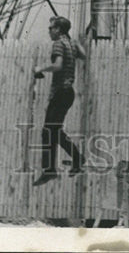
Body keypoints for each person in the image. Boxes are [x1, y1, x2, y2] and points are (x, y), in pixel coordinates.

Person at [32, 16, 86, 186]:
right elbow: (83, 55)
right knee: (54, 131)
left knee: (48, 131)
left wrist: (40, 68)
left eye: (51, 28)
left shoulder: (58, 44)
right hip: (68, 92)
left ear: (58, 30)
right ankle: (76, 160)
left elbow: (58, 66)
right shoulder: (69, 43)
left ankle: (50, 171)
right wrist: (75, 43)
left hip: (60, 92)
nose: (49, 31)